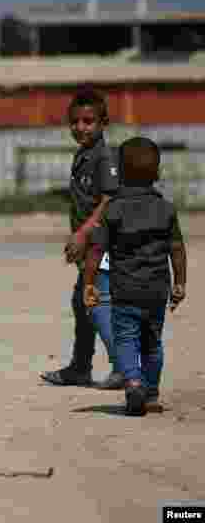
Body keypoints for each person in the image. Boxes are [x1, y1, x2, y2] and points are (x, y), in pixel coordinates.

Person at [83, 137, 187, 416]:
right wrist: (180, 283)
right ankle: (150, 394)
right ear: (157, 174)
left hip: (125, 291)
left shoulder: (114, 209)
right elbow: (177, 249)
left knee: (127, 338)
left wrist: (90, 284)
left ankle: (132, 382)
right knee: (152, 342)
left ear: (121, 174)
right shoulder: (166, 209)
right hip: (156, 291)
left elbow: (96, 249)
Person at [40, 89, 122, 389]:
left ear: (103, 123)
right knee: (82, 302)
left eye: (88, 121)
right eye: (75, 121)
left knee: (95, 302)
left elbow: (109, 199)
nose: (81, 127)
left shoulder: (105, 156)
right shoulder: (83, 155)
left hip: (102, 244)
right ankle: (80, 367)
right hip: (88, 243)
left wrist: (83, 233)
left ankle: (125, 367)